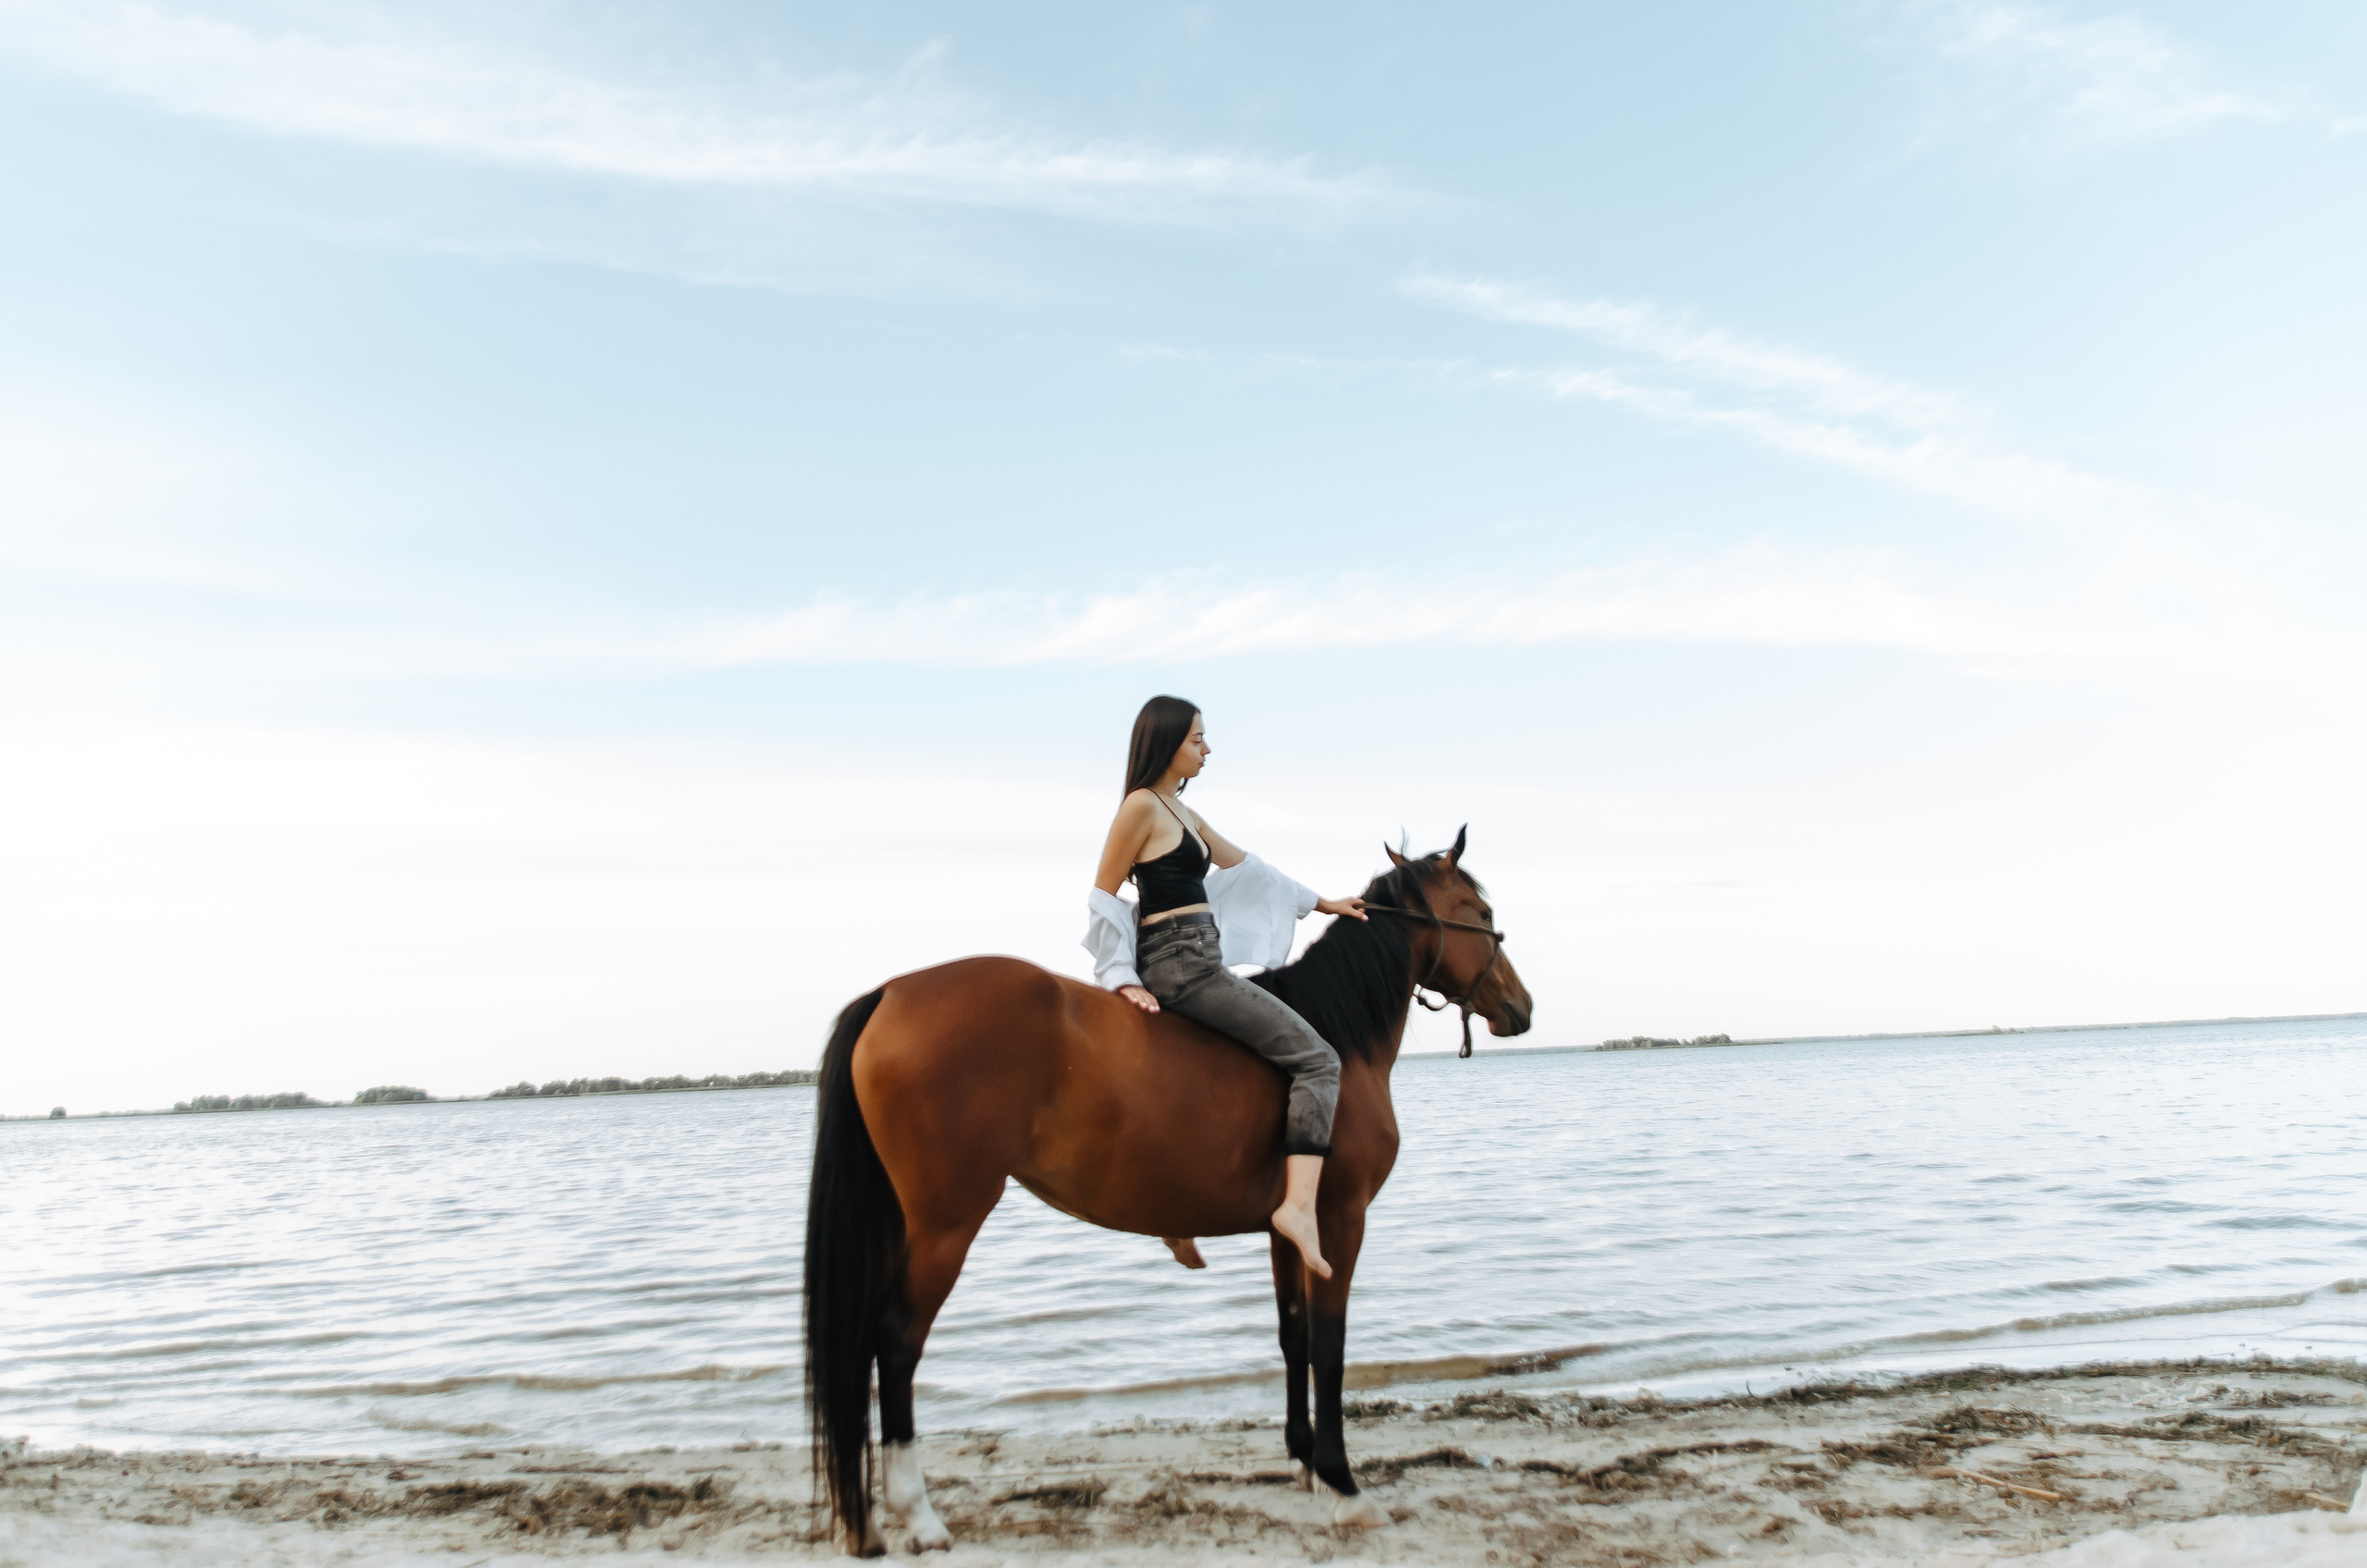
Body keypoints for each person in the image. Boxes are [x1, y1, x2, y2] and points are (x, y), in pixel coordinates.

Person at [1082, 695, 1367, 1278]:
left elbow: (1250, 869)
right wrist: (1121, 978)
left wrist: (1324, 903)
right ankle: (1298, 1207)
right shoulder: (1141, 806)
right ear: (1166, 742)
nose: (1207, 749)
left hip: (1199, 958)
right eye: (1196, 739)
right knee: (1319, 1062)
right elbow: (1103, 895)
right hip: (1182, 965)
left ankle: (1175, 1210)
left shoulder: (1184, 814)